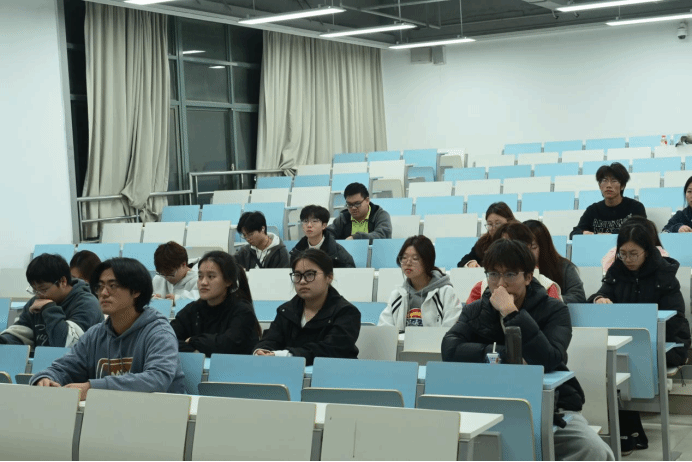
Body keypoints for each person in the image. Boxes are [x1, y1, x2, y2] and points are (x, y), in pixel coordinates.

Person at [442, 239, 615, 461]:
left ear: (528, 277)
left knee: (595, 451)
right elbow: (450, 349)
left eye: (510, 275)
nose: (500, 284)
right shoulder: (475, 310)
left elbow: (549, 358)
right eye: (493, 274)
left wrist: (511, 313)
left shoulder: (555, 310)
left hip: (547, 406)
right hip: (485, 402)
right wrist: (506, 355)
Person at [588, 220, 691, 454]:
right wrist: (599, 299)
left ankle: (626, 429)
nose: (628, 259)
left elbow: (675, 320)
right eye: (623, 253)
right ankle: (628, 429)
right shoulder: (617, 270)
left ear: (648, 250)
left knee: (622, 363)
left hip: (665, 342)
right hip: (627, 344)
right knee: (610, 360)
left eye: (634, 253)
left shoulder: (664, 274)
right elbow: (602, 292)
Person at [30, 258, 186, 398]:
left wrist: (92, 388)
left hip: (161, 415)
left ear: (136, 291)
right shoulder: (95, 335)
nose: (103, 293)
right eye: (100, 286)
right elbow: (64, 368)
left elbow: (157, 379)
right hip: (110, 414)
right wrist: (45, 379)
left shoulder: (159, 332)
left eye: (113, 286)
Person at [253, 249, 360, 365]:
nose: (302, 281)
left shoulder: (346, 312)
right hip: (290, 371)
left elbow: (331, 349)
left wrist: (287, 355)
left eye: (310, 274)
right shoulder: (286, 310)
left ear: (329, 277)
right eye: (297, 275)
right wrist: (262, 350)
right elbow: (271, 339)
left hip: (333, 373)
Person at [0, 254, 103, 348]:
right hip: (44, 361)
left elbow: (66, 345)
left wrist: (49, 309)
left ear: (63, 281)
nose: (38, 295)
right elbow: (20, 333)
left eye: (43, 289)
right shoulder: (36, 301)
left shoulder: (87, 304)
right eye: (35, 290)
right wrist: (4, 340)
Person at [171, 251, 260, 357]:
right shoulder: (193, 309)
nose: (203, 282)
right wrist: (195, 351)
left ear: (228, 281)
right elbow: (166, 338)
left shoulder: (242, 311)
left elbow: (228, 345)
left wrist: (193, 341)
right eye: (200, 276)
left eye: (211, 276)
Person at [465, 222, 563, 304]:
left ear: (528, 248)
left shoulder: (548, 288)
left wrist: (510, 312)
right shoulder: (480, 288)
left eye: (515, 246)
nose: (509, 251)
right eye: (502, 246)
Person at [378, 236, 462, 332]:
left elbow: (451, 330)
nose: (408, 263)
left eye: (415, 258)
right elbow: (384, 329)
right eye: (404, 258)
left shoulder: (446, 293)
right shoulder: (397, 295)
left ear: (427, 262)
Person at [570, 162, 647, 238]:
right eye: (604, 181)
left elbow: (640, 231)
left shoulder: (635, 207)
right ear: (600, 186)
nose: (609, 185)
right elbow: (574, 234)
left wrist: (608, 235)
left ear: (622, 185)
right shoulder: (593, 210)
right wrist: (583, 233)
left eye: (614, 181)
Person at [524, 220, 587, 304]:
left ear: (544, 247)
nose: (526, 253)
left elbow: (579, 296)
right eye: (522, 247)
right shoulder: (515, 268)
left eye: (533, 248)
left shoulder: (564, 266)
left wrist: (554, 298)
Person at [289, 205, 356, 268]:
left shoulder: (337, 252)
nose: (309, 225)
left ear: (324, 225)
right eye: (305, 221)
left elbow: (349, 271)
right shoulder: (297, 251)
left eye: (314, 221)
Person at [457, 202, 515, 268]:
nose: (493, 228)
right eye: (490, 224)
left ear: (509, 221)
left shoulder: (518, 239)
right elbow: (463, 262)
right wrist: (470, 263)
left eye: (498, 223)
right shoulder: (483, 243)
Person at [601, 216, 668, 273]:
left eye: (633, 254)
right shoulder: (615, 255)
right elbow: (607, 270)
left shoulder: (661, 260)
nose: (627, 260)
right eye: (623, 254)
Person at [327, 182, 392, 241]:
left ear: (367, 200)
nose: (353, 208)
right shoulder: (343, 218)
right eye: (349, 204)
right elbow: (328, 234)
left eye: (357, 204)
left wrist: (357, 238)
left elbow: (383, 235)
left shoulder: (380, 215)